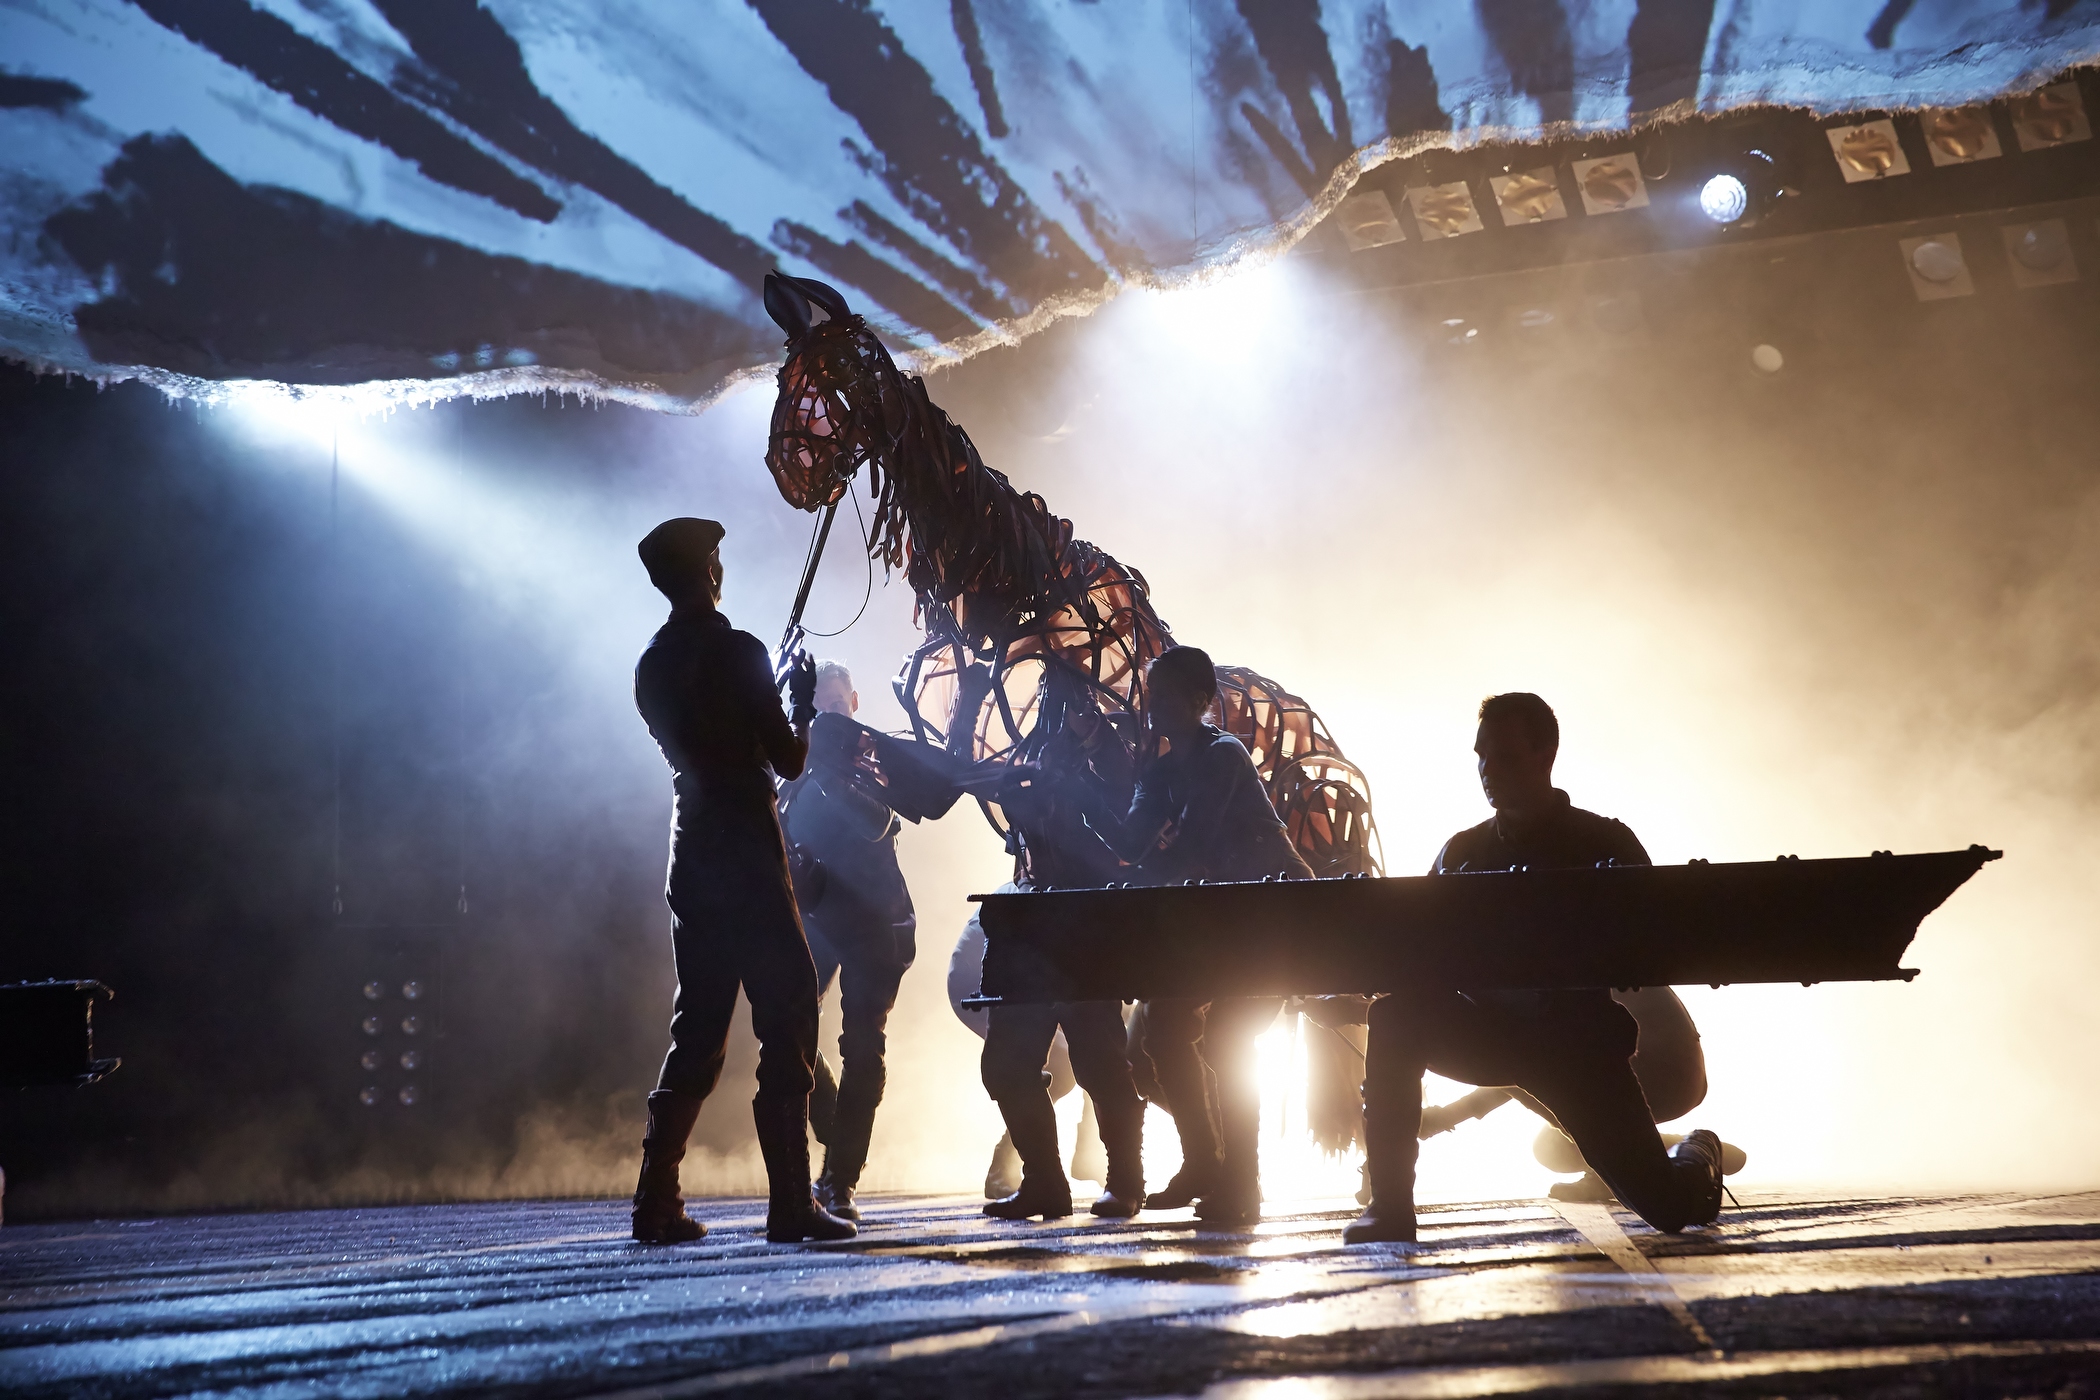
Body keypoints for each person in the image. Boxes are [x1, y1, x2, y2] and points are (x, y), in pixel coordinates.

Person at [1345, 692, 1726, 1246]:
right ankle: (1390, 1207)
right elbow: (1417, 946)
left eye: (1503, 756)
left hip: (1574, 1045)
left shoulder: (1605, 843)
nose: (1487, 770)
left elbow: (1652, 949)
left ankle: (1698, 1151)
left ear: (1545, 755)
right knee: (1398, 1018)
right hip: (1490, 1034)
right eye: (1481, 755)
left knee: (1667, 1207)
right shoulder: (1462, 853)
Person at [628, 517, 855, 1245]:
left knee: (696, 1028)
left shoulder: (650, 665)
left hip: (690, 851)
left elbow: (710, 738)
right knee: (788, 1013)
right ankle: (792, 1205)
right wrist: (797, 699)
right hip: (747, 853)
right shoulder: (740, 650)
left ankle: (654, 1201)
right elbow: (787, 759)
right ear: (711, 572)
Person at [1076, 645, 1313, 1226]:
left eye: (1164, 696)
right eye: (1151, 694)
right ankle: (1207, 1163)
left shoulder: (1223, 755)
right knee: (1164, 1035)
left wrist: (1134, 875)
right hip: (1221, 922)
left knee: (1229, 1038)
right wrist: (1077, 790)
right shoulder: (1160, 770)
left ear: (1201, 701)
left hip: (1271, 915)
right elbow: (1131, 845)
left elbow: (1194, 848)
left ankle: (1242, 1188)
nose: (1152, 707)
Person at [974, 703, 1150, 1223]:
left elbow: (1121, 820)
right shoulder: (1034, 752)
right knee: (1006, 1063)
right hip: (1032, 924)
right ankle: (1046, 1182)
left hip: (1084, 924)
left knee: (1099, 1059)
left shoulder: (1104, 756)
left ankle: (1126, 1181)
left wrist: (1091, 736)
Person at [778, 661, 917, 1222]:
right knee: (787, 1025)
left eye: (835, 703)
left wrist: (829, 772)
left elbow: (881, 823)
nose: (827, 713)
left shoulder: (870, 758)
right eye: (818, 705)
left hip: (877, 920)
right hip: (820, 915)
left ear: (854, 702)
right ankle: (839, 1138)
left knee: (862, 1045)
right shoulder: (793, 764)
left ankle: (840, 1180)